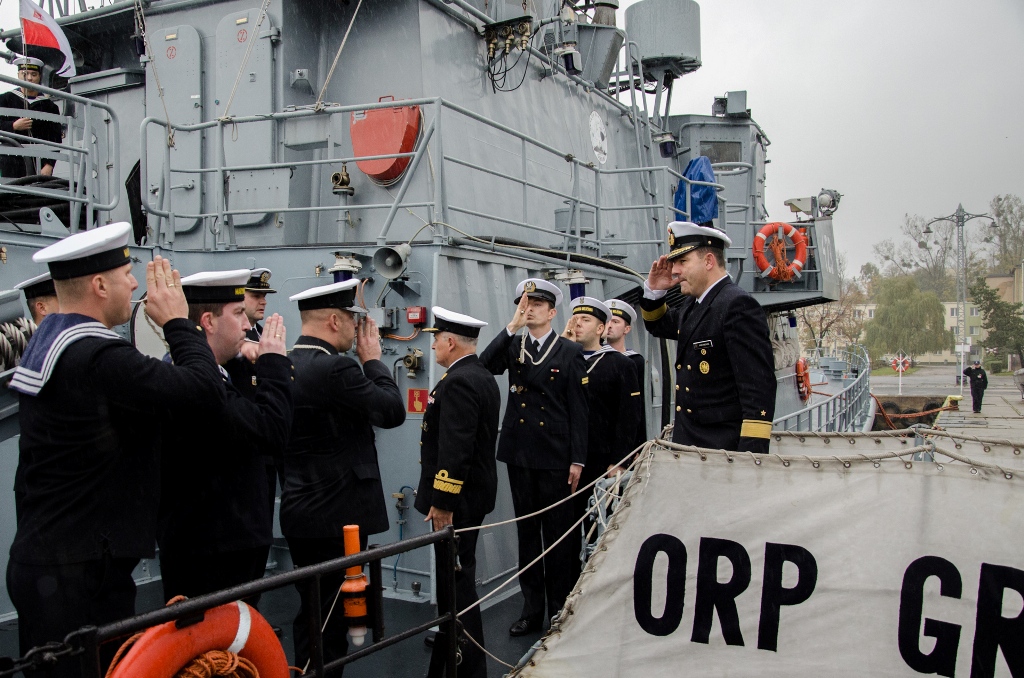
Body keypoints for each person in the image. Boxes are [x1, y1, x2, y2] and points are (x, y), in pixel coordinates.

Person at [6, 222, 226, 677]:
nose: (133, 284)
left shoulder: (50, 344)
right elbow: (205, 393)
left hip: (52, 562)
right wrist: (178, 322)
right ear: (100, 285)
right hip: (81, 578)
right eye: (126, 274)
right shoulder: (97, 357)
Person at [280, 279, 405, 670]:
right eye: (353, 319)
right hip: (337, 520)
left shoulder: (284, 364)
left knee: (312, 612)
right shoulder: (335, 368)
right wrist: (373, 361)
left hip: (301, 514)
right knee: (331, 622)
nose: (357, 328)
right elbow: (391, 411)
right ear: (334, 321)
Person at [157, 270, 293, 604]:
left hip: (220, 541)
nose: (247, 326)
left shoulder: (202, 375)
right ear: (208, 321)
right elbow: (271, 433)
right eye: (238, 314)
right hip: (215, 550)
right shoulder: (196, 385)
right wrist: (273, 363)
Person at [479, 278, 588, 637]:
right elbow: (484, 366)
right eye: (525, 303)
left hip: (556, 456)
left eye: (537, 304)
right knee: (527, 535)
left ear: (553, 312)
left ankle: (559, 609)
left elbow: (579, 410)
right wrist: (511, 327)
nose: (529, 309)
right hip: (520, 453)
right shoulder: (514, 345)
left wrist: (578, 459)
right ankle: (531, 609)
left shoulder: (569, 351)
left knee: (557, 538)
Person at [640, 221, 776, 453]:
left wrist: (750, 457)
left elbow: (758, 389)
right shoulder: (694, 304)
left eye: (683, 261)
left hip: (721, 450)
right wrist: (655, 291)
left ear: (709, 261)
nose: (675, 270)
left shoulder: (737, 305)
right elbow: (658, 325)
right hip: (692, 445)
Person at [417, 307, 500, 678]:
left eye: (437, 338)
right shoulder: (479, 375)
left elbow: (456, 449)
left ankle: (467, 667)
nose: (434, 344)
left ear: (450, 342)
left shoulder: (459, 381)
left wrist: (443, 503)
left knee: (456, 584)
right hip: (470, 497)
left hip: (457, 502)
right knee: (456, 580)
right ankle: (450, 654)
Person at [568, 297, 641, 501]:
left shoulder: (621, 364)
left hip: (602, 458)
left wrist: (619, 461)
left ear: (600, 328)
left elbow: (629, 417)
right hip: (568, 458)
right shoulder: (565, 361)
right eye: (575, 318)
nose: (578, 324)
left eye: (585, 319)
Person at [0, 57, 62, 179]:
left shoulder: (50, 106)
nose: (29, 78)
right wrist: (13, 126)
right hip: (11, 161)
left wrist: (49, 164)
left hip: (40, 162)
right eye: (25, 74)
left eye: (34, 74)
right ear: (18, 75)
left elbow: (55, 137)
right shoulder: (5, 99)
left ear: (39, 77)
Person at [603, 298, 648, 445]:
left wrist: (639, 443)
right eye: (607, 321)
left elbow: (640, 406)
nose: (610, 326)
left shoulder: (635, 361)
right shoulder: (595, 360)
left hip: (626, 436)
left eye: (615, 322)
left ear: (626, 329)